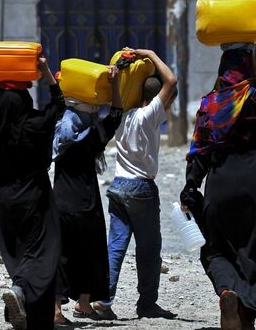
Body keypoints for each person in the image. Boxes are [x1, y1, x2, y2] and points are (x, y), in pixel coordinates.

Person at [179, 11, 256, 330]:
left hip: (219, 189)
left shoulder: (210, 105)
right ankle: (247, 310)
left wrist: (190, 188)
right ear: (248, 66)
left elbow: (200, 154)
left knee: (217, 250)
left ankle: (227, 293)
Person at [92, 48, 178, 320]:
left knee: (115, 246)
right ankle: (147, 304)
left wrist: (116, 82)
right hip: (141, 189)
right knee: (149, 250)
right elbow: (171, 83)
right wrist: (149, 53)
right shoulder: (149, 115)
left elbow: (115, 104)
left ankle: (103, 301)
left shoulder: (123, 117)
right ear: (156, 99)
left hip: (118, 187)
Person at [0, 56, 64, 330]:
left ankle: (23, 307)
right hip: (34, 197)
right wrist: (46, 72)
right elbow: (59, 105)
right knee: (42, 251)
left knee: (16, 252)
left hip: (6, 199)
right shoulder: (35, 125)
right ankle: (20, 292)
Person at [51, 65, 123, 323]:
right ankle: (84, 303)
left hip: (58, 201)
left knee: (60, 254)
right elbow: (115, 114)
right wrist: (114, 84)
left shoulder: (60, 129)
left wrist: (50, 73)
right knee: (90, 253)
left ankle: (56, 311)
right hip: (85, 203)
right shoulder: (93, 135)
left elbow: (57, 98)